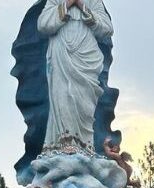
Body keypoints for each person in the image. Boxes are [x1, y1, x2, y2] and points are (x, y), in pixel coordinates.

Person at [37, 0, 113, 148]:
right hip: (61, 51)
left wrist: (82, 6)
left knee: (84, 101)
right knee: (63, 95)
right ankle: (64, 142)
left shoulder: (93, 1)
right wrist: (67, 4)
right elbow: (43, 25)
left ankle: (85, 145)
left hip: (86, 54)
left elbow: (107, 28)